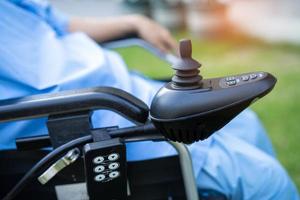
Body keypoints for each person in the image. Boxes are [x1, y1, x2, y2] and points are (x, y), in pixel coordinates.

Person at [0, 0, 298, 199]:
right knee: (267, 182)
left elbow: (55, 23)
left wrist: (133, 22)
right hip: (96, 124)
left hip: (120, 91)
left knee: (247, 123)